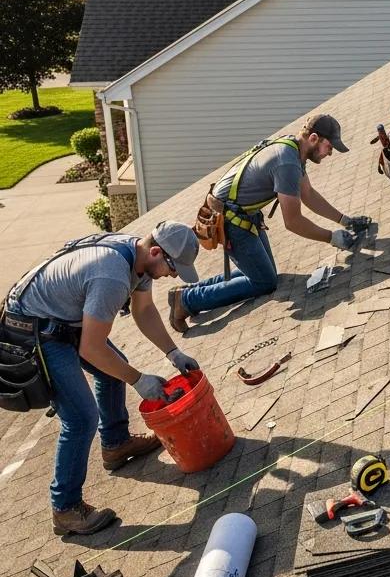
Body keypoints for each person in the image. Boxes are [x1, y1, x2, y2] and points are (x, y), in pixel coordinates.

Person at [2, 222, 202, 536]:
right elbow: (92, 348)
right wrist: (139, 380)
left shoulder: (138, 259)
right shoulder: (112, 274)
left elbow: (144, 310)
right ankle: (66, 509)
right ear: (155, 251)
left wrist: (173, 352)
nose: (173, 276)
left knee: (114, 370)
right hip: (33, 328)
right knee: (81, 417)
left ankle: (115, 444)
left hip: (58, 317)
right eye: (173, 268)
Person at [168, 113, 369, 331]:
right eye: (329, 146)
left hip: (242, 214)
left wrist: (344, 220)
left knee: (263, 273)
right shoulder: (287, 162)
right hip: (230, 221)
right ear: (313, 138)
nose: (330, 153)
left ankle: (185, 293)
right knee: (264, 282)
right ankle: (188, 301)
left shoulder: (293, 148)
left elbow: (307, 193)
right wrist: (332, 238)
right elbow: (293, 222)